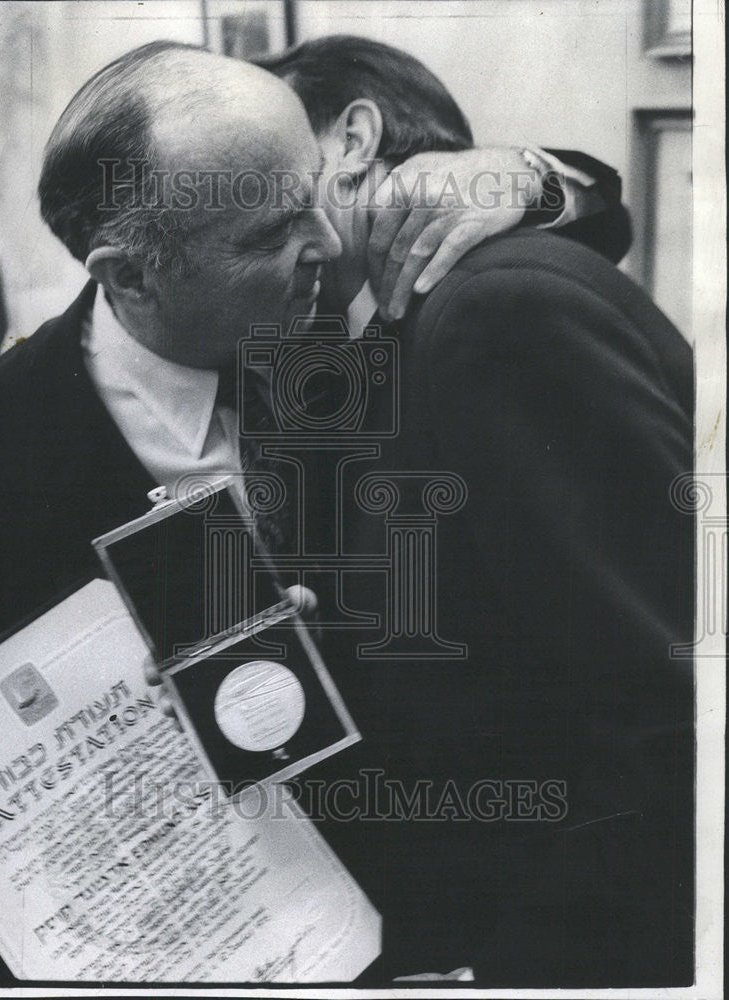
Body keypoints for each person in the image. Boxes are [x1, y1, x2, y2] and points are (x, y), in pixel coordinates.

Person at [0, 39, 631, 987]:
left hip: (468, 944)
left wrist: (535, 177)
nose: (331, 247)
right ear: (130, 275)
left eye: (319, 192)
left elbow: (593, 221)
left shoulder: (340, 317)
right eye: (271, 235)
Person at [239, 35, 693, 987]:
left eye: (261, 171)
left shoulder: (494, 315)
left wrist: (514, 972)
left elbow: (666, 712)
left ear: (353, 137)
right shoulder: (374, 332)